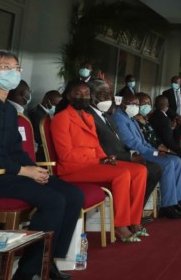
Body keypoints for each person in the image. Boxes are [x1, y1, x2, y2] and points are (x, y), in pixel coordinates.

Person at [0, 50, 84, 280]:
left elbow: (15, 149)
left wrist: (36, 170)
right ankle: (26, 272)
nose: (13, 72)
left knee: (73, 195)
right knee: (53, 201)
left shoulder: (7, 109)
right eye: (5, 67)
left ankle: (49, 259)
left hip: (13, 172)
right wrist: (25, 171)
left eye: (16, 68)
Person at [51, 82, 148, 242]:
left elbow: (96, 144)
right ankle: (120, 225)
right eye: (78, 93)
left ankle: (134, 221)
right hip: (73, 168)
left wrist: (106, 158)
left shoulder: (88, 116)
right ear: (68, 96)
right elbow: (65, 155)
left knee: (139, 170)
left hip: (93, 163)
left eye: (86, 93)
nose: (83, 97)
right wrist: (99, 160)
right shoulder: (61, 119)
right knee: (122, 174)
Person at [87, 80, 162, 216]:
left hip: (121, 153)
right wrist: (130, 156)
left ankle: (135, 213)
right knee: (150, 168)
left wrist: (132, 153)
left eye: (110, 95)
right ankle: (130, 215)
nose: (109, 99)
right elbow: (103, 147)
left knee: (154, 168)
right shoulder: (89, 116)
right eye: (103, 94)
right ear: (92, 96)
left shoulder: (106, 116)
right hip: (108, 158)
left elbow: (120, 141)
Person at [112, 93, 181, 219]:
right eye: (133, 104)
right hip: (136, 154)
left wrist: (155, 150)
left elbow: (144, 141)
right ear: (123, 103)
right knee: (168, 163)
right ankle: (167, 205)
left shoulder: (130, 117)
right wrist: (154, 153)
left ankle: (176, 199)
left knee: (176, 160)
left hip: (146, 150)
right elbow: (131, 143)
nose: (135, 107)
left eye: (137, 104)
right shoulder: (120, 118)